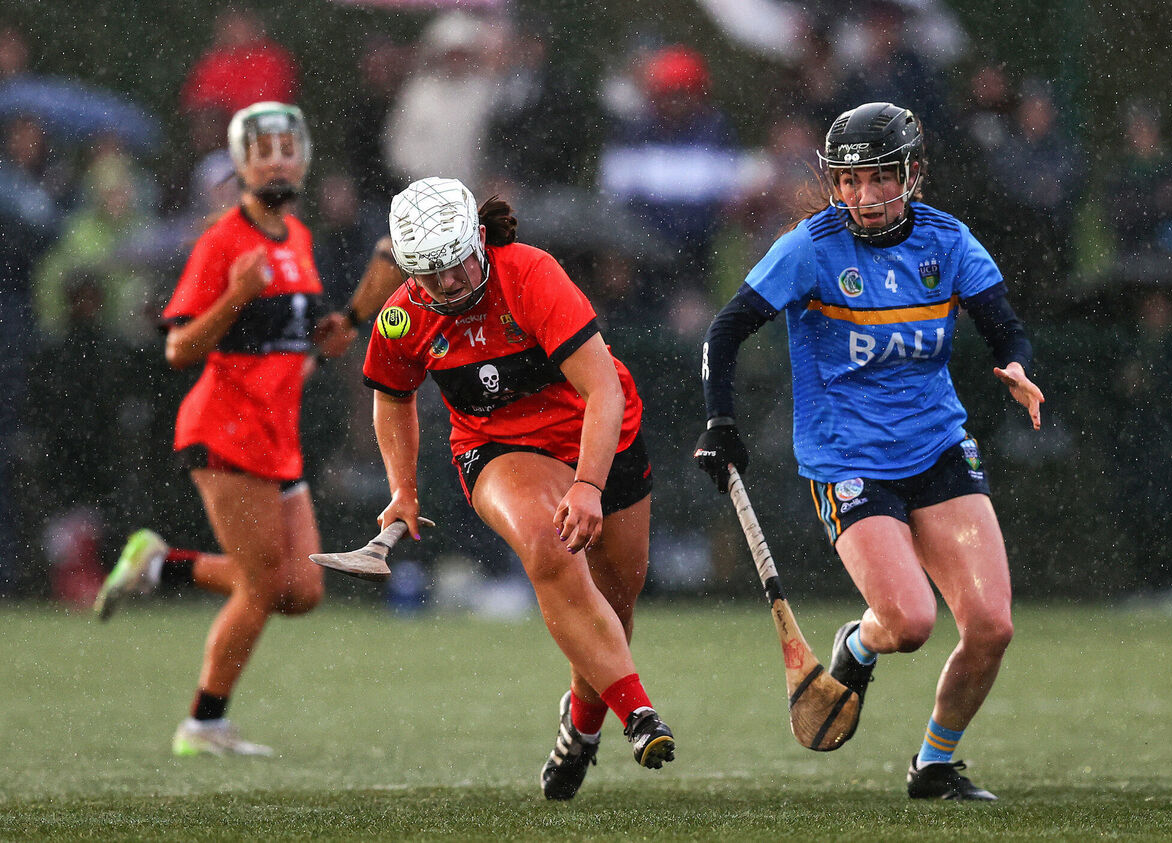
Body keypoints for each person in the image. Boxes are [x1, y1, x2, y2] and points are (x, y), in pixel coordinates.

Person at [693, 102, 1044, 801]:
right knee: (911, 623)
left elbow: (1005, 326)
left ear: (913, 175)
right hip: (848, 460)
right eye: (849, 181)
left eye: (879, 179)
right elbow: (724, 332)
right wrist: (720, 423)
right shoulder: (809, 247)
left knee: (991, 626)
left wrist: (1016, 364)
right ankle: (858, 644)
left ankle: (934, 764)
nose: (862, 196)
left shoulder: (948, 241)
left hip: (939, 448)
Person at [362, 177, 675, 800]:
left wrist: (588, 483)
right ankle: (639, 715)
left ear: (477, 239)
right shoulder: (402, 318)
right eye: (431, 275)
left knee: (616, 600)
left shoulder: (530, 274)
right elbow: (391, 400)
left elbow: (602, 391)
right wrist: (403, 489)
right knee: (546, 542)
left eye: (456, 266)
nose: (449, 283)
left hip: (603, 434)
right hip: (499, 447)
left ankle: (581, 726)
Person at [92, 102, 359, 757]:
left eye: (286, 149)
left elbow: (292, 342)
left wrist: (323, 341)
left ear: (302, 157)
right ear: (241, 163)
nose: (277, 160)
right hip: (226, 428)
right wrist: (235, 296)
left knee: (303, 589)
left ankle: (158, 563)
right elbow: (179, 349)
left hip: (278, 432)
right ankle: (202, 723)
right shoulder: (220, 242)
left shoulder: (297, 237)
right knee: (264, 585)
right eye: (262, 151)